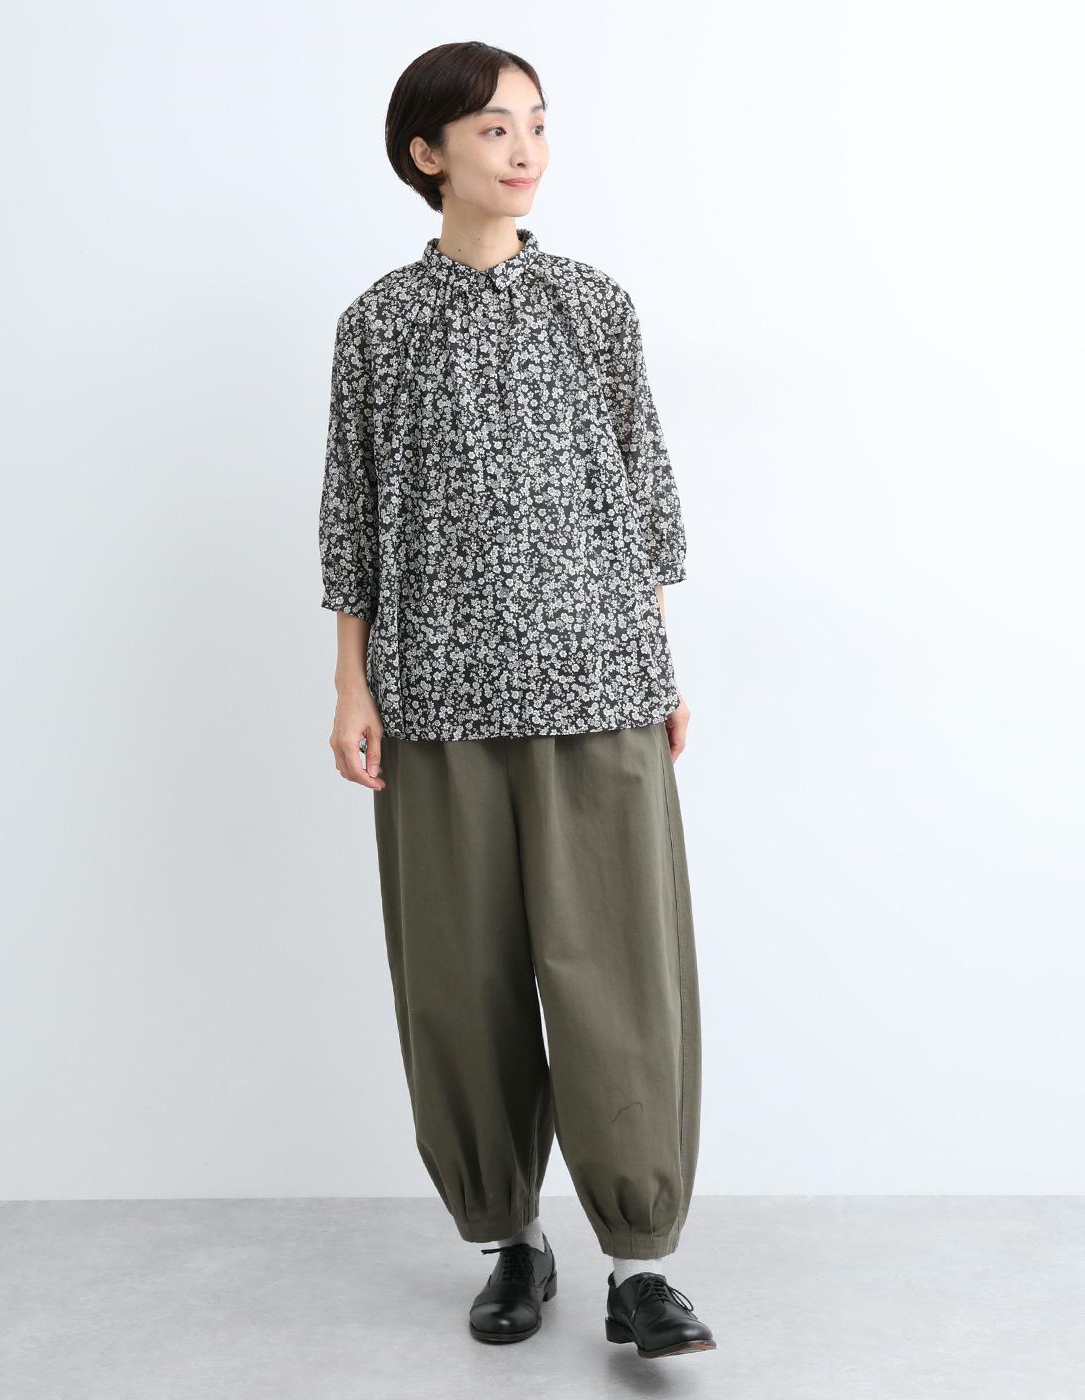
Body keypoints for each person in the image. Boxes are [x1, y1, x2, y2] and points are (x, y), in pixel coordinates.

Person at [318, 40, 716, 1362]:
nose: (524, 148)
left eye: (537, 123)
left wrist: (659, 667)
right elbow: (353, 518)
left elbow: (643, 497)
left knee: (619, 979)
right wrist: (351, 683)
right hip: (433, 698)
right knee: (462, 982)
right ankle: (511, 1239)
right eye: (494, 128)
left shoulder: (595, 306)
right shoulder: (377, 324)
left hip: (599, 684)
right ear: (427, 152)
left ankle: (640, 1265)